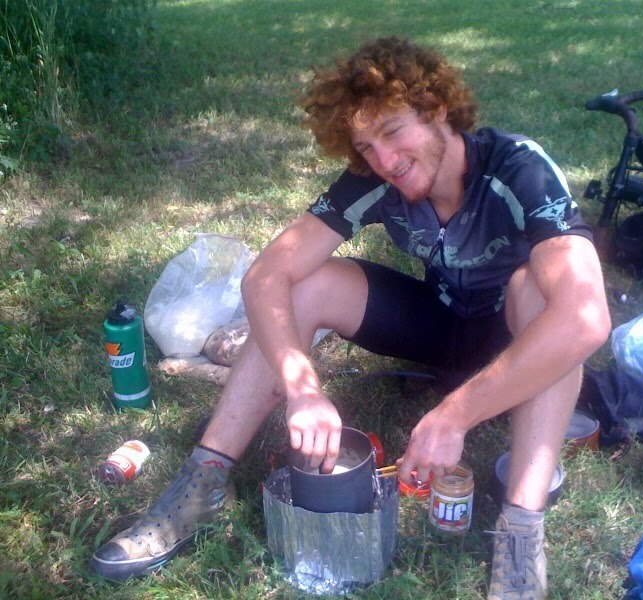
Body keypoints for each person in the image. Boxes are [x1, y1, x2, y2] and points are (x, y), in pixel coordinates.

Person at [91, 37, 610, 598]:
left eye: (392, 131)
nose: (384, 161)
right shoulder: (375, 178)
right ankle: (201, 484)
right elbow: (265, 274)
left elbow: (585, 319)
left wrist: (454, 417)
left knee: (538, 292)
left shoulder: (518, 167)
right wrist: (302, 388)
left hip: (514, 346)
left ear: (436, 110)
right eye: (365, 145)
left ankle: (521, 528)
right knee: (308, 282)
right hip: (439, 325)